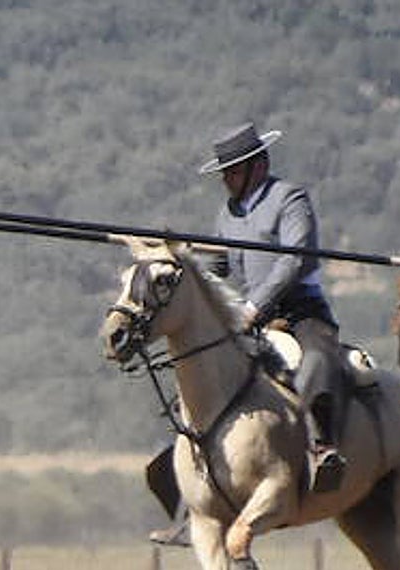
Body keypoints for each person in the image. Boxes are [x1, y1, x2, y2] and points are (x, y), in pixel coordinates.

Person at [147, 122, 347, 545]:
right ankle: (189, 503)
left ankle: (323, 448)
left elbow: (292, 261)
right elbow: (217, 269)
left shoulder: (290, 199)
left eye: (234, 170)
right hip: (249, 320)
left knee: (315, 362)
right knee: (203, 385)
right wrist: (182, 263)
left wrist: (255, 306)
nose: (228, 179)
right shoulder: (228, 215)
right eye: (225, 172)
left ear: (259, 165)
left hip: (300, 312)